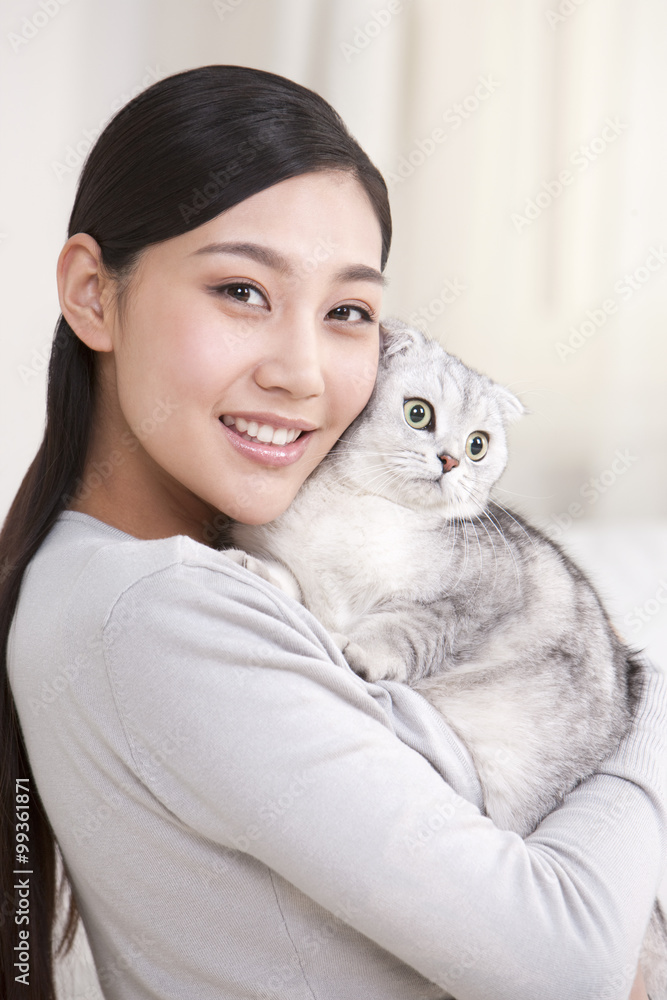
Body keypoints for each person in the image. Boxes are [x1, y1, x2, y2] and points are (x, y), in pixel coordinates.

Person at [0, 64, 665, 1000]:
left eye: (347, 311)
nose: (303, 372)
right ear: (92, 294)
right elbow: (569, 963)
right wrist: (651, 718)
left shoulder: (147, 579)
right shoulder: (158, 612)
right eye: (241, 291)